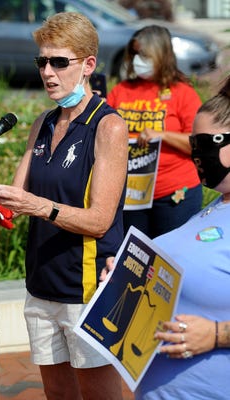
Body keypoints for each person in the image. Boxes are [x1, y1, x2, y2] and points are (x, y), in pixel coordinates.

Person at [0, 12, 129, 400]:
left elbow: (100, 221)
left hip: (84, 288)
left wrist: (39, 205)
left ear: (88, 65)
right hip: (42, 283)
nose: (48, 72)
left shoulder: (109, 126)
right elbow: (16, 202)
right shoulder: (43, 123)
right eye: (42, 61)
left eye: (59, 62)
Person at [102, 76, 230, 399]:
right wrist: (123, 274)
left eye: (206, 144)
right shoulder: (212, 208)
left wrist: (216, 335)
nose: (197, 155)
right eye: (193, 144)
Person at [107, 25, 202, 238]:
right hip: (131, 195)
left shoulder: (183, 93)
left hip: (174, 195)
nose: (137, 59)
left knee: (172, 260)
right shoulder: (121, 90)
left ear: (161, 55)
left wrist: (163, 135)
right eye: (135, 53)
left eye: (144, 54)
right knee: (134, 263)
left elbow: (199, 144)